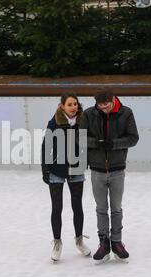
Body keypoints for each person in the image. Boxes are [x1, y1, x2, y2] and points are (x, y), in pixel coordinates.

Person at [80, 87, 139, 264]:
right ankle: (103, 243)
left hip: (117, 169)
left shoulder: (126, 113)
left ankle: (117, 242)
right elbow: (80, 137)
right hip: (97, 169)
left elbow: (133, 138)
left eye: (106, 106)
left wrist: (113, 144)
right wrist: (97, 144)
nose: (104, 110)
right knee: (100, 208)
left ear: (112, 100)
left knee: (116, 208)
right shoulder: (90, 114)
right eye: (101, 107)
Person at [41, 92, 91, 262]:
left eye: (75, 104)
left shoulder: (82, 122)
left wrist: (86, 162)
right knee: (57, 208)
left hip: (76, 170)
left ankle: (79, 240)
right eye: (70, 104)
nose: (73, 107)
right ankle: (57, 243)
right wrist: (45, 170)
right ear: (62, 106)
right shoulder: (54, 123)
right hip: (56, 171)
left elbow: (87, 144)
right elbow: (45, 146)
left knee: (77, 206)